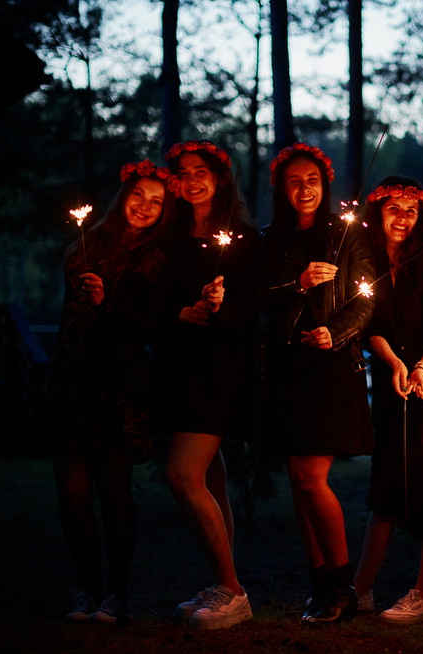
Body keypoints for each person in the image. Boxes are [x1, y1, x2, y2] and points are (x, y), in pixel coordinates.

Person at [49, 160, 177, 624]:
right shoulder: (84, 247)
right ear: (124, 196)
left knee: (113, 492)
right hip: (73, 384)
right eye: (139, 195)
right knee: (72, 493)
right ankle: (86, 589)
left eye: (156, 201)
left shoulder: (157, 258)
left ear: (164, 212)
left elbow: (149, 328)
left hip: (117, 389)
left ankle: (116, 595)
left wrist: (107, 303)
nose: (144, 206)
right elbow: (69, 322)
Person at [260, 142, 375, 624]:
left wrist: (336, 331)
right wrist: (299, 284)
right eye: (294, 181)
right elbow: (259, 296)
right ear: (282, 189)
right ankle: (319, 585)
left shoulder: (346, 234)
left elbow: (366, 298)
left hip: (331, 368)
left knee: (311, 476)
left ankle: (345, 589)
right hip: (287, 368)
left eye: (312, 180)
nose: (304, 188)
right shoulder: (270, 239)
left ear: (324, 184)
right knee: (298, 480)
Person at [352, 177, 423, 625]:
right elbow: (370, 326)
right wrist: (394, 363)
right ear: (377, 213)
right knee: (384, 483)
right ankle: (360, 591)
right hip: (392, 378)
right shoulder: (364, 261)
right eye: (394, 209)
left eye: (411, 210)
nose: (402, 218)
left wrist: (419, 367)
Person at [157, 140, 261, 629]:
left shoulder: (242, 238)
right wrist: (181, 312)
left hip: (219, 369)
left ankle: (233, 590)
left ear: (219, 178)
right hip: (180, 367)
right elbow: (156, 299)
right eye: (182, 172)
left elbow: (255, 308)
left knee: (182, 474)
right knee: (210, 479)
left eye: (201, 170)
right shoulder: (169, 237)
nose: (191, 179)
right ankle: (224, 583)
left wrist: (221, 307)